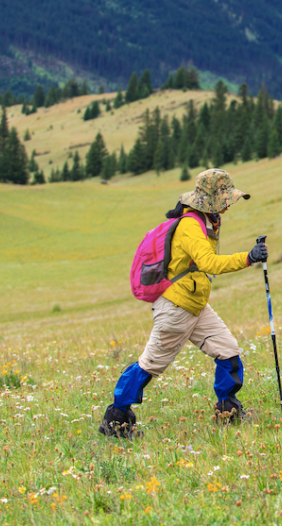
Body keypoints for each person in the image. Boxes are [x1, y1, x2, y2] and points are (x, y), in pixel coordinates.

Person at [100, 168, 268, 437]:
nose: (227, 206)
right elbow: (208, 263)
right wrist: (249, 257)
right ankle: (116, 420)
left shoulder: (207, 221)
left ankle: (228, 411)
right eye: (225, 200)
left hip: (195, 305)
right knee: (150, 365)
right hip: (176, 309)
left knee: (228, 350)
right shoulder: (191, 225)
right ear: (211, 200)